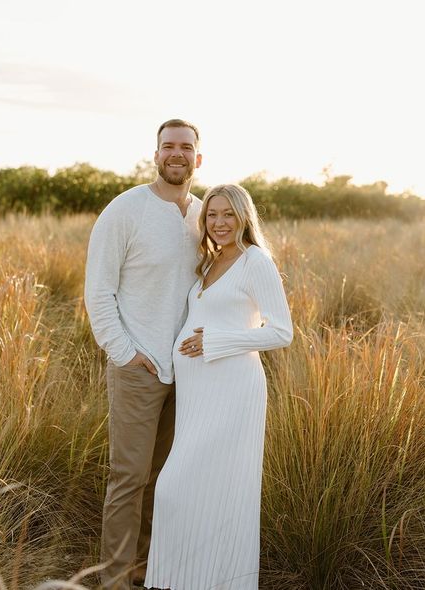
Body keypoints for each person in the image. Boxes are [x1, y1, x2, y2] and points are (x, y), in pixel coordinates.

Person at [144, 184, 293, 590]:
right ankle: (182, 581)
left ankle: (222, 581)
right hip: (197, 397)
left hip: (232, 391)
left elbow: (282, 332)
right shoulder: (209, 262)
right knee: (189, 493)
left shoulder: (254, 262)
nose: (220, 222)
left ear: (244, 217)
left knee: (192, 489)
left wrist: (216, 341)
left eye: (228, 214)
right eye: (212, 215)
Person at [84, 119, 203, 589]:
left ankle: (144, 571)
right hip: (139, 367)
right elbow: (98, 291)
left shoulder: (204, 213)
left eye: (186, 147)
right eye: (168, 146)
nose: (177, 154)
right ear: (155, 155)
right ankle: (114, 580)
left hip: (189, 371)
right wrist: (124, 353)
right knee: (129, 477)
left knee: (164, 479)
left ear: (198, 157)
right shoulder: (125, 210)